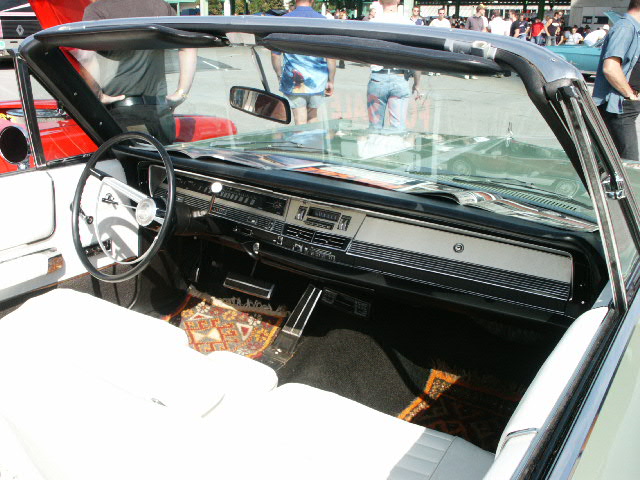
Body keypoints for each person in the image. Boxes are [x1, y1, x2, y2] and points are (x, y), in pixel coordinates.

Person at [81, 0, 196, 145]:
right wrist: (181, 94)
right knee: (161, 159)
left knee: (130, 159)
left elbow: (86, 57)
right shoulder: (161, 7)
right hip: (160, 113)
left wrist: (97, 94)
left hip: (120, 113)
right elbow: (189, 46)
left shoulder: (98, 10)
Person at [270, 0, 336, 125]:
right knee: (313, 116)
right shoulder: (323, 21)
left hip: (294, 80)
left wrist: (279, 75)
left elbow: (275, 54)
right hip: (317, 80)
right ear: (312, 1)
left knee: (299, 119)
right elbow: (331, 56)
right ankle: (313, 138)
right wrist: (331, 80)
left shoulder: (283, 21)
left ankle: (301, 138)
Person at [593, 0, 640, 161]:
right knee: (629, 163)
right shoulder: (625, 27)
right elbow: (610, 68)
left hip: (625, 106)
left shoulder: (634, 29)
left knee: (616, 161)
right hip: (619, 107)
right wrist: (629, 95)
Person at [367, 0, 421, 130]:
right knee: (398, 128)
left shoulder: (372, 24)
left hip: (377, 77)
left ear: (380, 2)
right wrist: (417, 83)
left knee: (374, 127)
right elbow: (415, 57)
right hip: (400, 77)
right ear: (398, 1)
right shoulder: (408, 24)